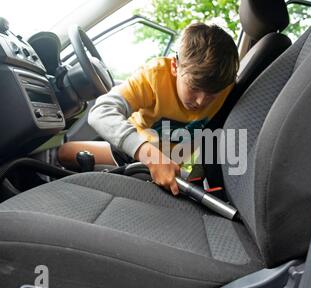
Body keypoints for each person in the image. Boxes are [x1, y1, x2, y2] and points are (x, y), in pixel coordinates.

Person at [88, 22, 239, 195]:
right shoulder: (154, 77)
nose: (201, 101)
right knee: (62, 153)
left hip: (170, 166)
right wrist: (150, 156)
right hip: (132, 149)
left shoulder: (225, 88)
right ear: (175, 66)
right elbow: (100, 112)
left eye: (212, 95)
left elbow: (211, 138)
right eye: (194, 87)